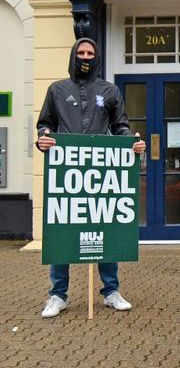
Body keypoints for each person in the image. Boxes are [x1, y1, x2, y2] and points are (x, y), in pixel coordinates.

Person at [35, 37, 147, 318]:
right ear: (74, 55)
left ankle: (111, 291)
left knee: (105, 225)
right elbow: (45, 125)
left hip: (101, 170)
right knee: (62, 226)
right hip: (67, 170)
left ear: (96, 58)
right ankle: (57, 294)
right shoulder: (57, 89)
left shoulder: (109, 90)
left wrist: (131, 143)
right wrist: (43, 139)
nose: (85, 57)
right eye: (81, 52)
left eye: (90, 53)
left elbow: (121, 126)